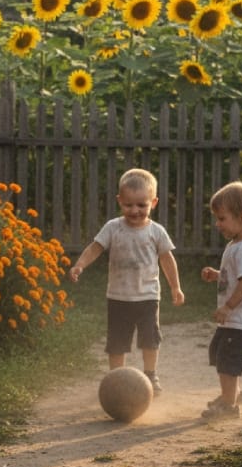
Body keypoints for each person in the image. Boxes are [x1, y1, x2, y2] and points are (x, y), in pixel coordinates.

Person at [68, 168, 185, 393]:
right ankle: (116, 379)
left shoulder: (156, 232)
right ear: (119, 201)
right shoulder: (113, 228)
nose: (135, 210)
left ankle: (150, 375)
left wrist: (175, 287)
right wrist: (80, 265)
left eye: (142, 205)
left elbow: (167, 260)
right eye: (128, 204)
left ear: (154, 202)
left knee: (150, 339)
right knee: (117, 342)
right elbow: (95, 248)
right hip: (118, 297)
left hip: (148, 297)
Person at [200, 181, 242, 420]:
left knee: (228, 361)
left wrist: (228, 307)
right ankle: (233, 394)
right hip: (236, 320)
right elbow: (237, 276)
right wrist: (218, 276)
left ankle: (229, 407)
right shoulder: (236, 245)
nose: (217, 224)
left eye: (222, 218)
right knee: (220, 353)